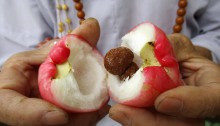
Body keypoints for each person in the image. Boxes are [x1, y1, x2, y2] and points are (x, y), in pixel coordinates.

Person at [0, 0, 220, 125]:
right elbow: (10, 40)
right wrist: (19, 68)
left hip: (178, 100)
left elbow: (215, 29)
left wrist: (201, 53)